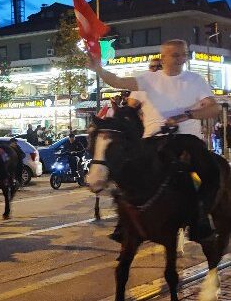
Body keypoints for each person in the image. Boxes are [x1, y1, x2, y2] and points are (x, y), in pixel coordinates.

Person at [88, 39, 221, 243]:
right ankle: (125, 221)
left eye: (183, 54)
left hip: (187, 139)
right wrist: (98, 69)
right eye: (175, 55)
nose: (180, 59)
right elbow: (117, 82)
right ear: (164, 57)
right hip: (153, 139)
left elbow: (214, 108)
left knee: (210, 170)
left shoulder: (196, 80)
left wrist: (186, 115)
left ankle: (200, 217)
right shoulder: (148, 79)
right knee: (126, 170)